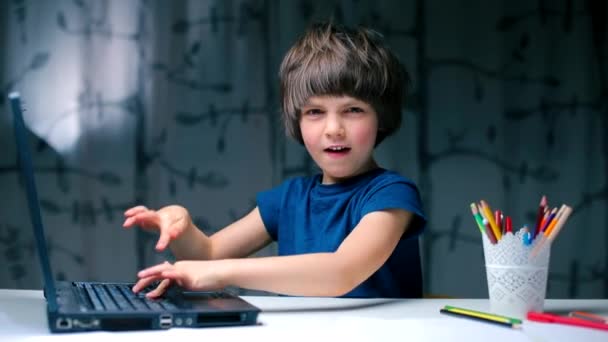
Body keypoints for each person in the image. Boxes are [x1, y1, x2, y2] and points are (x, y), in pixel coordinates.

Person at [123, 21, 426, 299]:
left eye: (353, 110)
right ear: (298, 122)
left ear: (381, 119)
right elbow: (208, 255)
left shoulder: (392, 194)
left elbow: (341, 271)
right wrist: (183, 227)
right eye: (315, 112)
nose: (334, 129)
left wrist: (221, 273)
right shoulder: (289, 198)